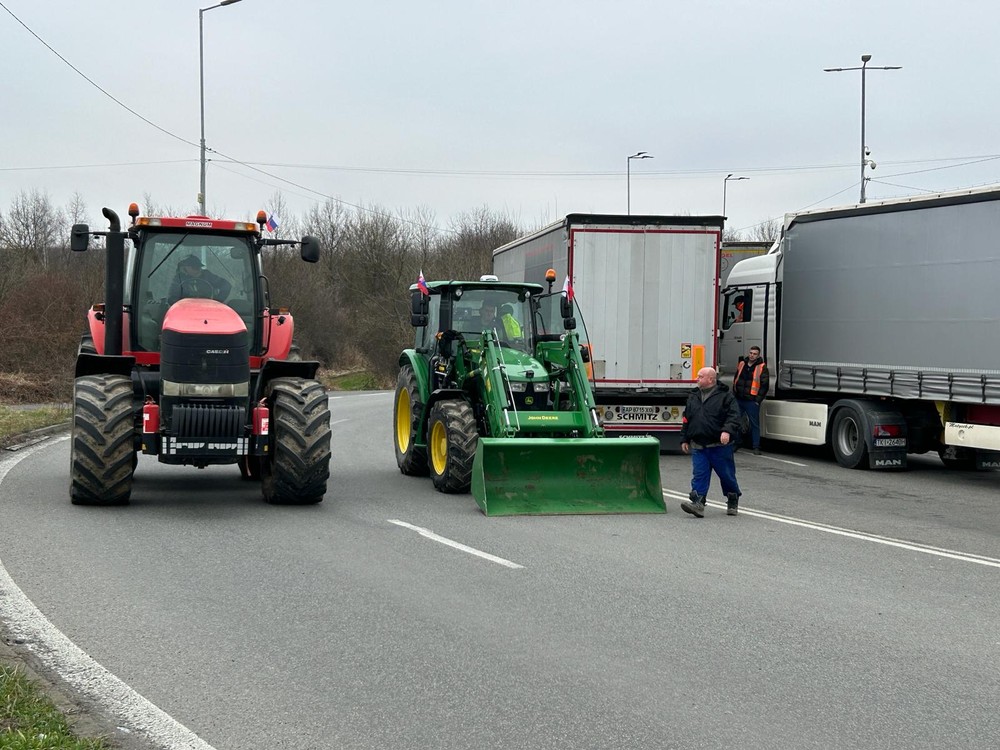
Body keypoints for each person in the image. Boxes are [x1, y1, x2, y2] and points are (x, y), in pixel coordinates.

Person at [679, 367, 743, 517]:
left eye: (700, 376)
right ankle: (698, 503)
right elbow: (687, 418)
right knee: (699, 475)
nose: (697, 378)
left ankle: (732, 498)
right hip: (698, 445)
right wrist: (684, 438)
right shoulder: (693, 396)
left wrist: (727, 431)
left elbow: (734, 417)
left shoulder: (726, 397)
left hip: (719, 446)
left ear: (710, 379)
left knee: (727, 476)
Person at [733, 345, 770, 455]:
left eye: (754, 354)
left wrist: (757, 400)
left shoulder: (762, 367)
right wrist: (735, 393)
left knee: (755, 424)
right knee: (736, 422)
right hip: (739, 398)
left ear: (758, 355)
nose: (752, 355)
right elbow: (736, 378)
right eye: (750, 353)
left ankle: (756, 446)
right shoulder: (742, 364)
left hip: (751, 400)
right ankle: (737, 442)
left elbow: (764, 385)